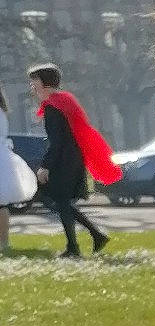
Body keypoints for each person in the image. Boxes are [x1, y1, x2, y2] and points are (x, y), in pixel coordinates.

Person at [27, 63, 118, 256]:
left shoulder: (53, 107)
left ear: (45, 83)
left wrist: (45, 166)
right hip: (72, 157)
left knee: (57, 200)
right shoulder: (64, 101)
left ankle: (76, 247)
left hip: (65, 160)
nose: (32, 87)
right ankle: (93, 237)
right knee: (61, 202)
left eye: (34, 81)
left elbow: (57, 141)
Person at [0, 83, 37, 253]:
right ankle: (4, 241)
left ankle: (4, 241)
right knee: (2, 205)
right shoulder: (2, 112)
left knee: (1, 206)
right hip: (4, 157)